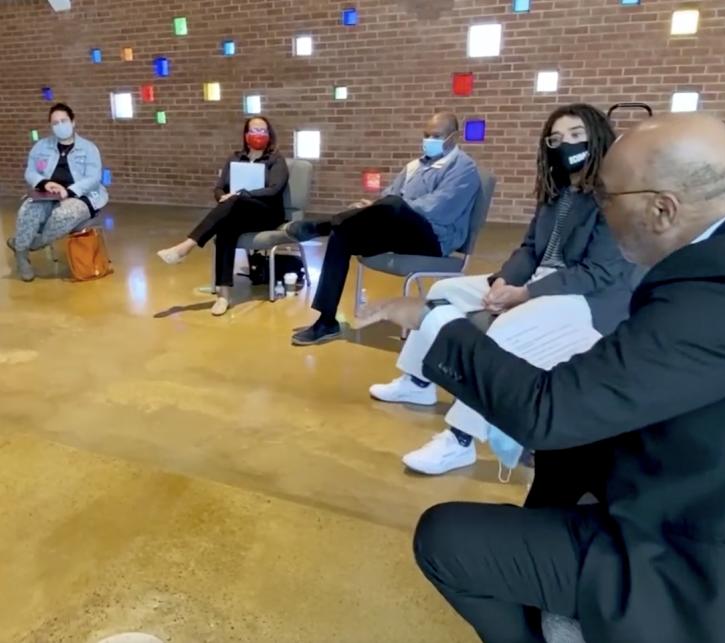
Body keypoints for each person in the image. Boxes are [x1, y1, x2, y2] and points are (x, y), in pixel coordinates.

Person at [357, 113, 725, 643]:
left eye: (607, 197)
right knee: (569, 452)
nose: (600, 208)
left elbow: (547, 411)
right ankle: (551, 570)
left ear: (663, 209)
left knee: (448, 538)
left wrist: (433, 322)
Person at [368, 104, 634, 478]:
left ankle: (460, 439)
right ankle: (417, 381)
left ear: (598, 138)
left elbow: (597, 272)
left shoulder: (617, 197)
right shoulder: (557, 190)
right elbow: (530, 249)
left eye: (576, 136)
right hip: (539, 280)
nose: (566, 145)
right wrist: (503, 282)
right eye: (556, 139)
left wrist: (525, 295)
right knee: (444, 290)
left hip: (588, 298)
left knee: (506, 327)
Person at [284, 111, 480, 346]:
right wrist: (373, 207)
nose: (429, 140)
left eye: (436, 136)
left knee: (395, 205)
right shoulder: (414, 166)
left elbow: (437, 209)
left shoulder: (464, 169)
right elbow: (389, 195)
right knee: (342, 234)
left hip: (435, 239)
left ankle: (322, 225)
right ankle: (326, 321)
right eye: (426, 135)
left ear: (453, 137)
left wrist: (392, 206)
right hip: (402, 233)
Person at [157, 117, 289, 316]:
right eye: (254, 130)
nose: (258, 134)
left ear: (269, 135)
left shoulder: (276, 160)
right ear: (246, 134)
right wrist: (223, 197)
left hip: (266, 213)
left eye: (263, 131)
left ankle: (187, 246)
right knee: (226, 229)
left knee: (234, 202)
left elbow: (274, 190)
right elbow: (219, 188)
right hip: (238, 212)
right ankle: (223, 295)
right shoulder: (234, 158)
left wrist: (241, 194)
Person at [7, 103, 108, 282]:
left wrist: (68, 191)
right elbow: (30, 172)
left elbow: (93, 178)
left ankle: (28, 245)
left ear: (73, 122)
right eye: (55, 123)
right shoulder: (41, 147)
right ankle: (21, 257)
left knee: (63, 215)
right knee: (27, 211)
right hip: (47, 194)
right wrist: (45, 183)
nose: (60, 125)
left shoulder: (88, 148)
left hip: (81, 196)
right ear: (51, 126)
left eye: (64, 121)